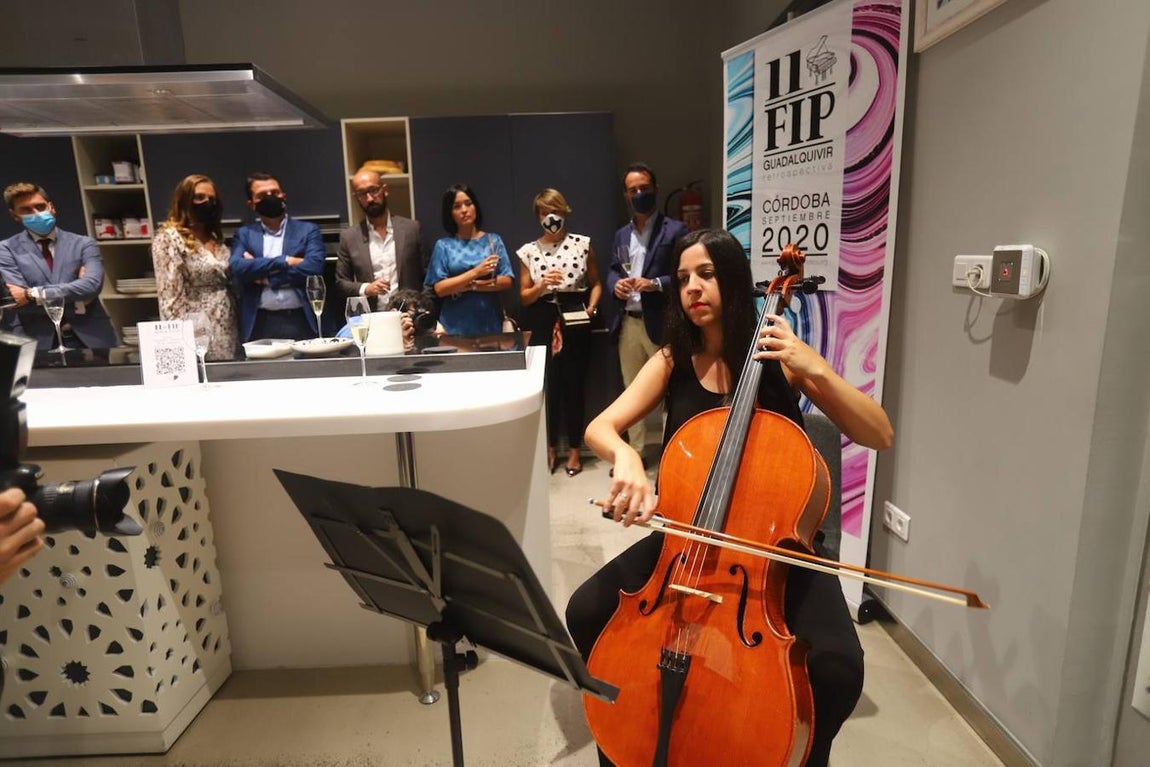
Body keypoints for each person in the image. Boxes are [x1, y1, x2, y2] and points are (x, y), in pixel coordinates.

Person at [566, 229, 894, 767]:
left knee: (836, 668)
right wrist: (626, 458)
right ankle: (631, 740)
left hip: (770, 554)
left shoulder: (780, 358)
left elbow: (879, 433)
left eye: (707, 275)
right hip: (688, 541)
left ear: (735, 281)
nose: (693, 288)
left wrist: (815, 368)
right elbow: (601, 427)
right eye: (684, 278)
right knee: (586, 611)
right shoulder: (673, 359)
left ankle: (785, 750)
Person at [517, 188, 602, 476]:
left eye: (553, 210)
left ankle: (576, 450)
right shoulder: (529, 250)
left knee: (574, 385)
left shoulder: (583, 244)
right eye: (543, 212)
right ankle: (550, 447)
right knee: (547, 386)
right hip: (542, 316)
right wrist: (542, 286)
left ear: (564, 211)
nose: (549, 216)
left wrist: (591, 307)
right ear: (538, 216)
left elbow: (596, 283)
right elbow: (525, 297)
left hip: (575, 314)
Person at [607, 162, 687, 463]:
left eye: (644, 188)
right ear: (626, 195)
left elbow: (683, 274)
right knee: (631, 392)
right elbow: (613, 271)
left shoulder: (676, 230)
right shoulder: (620, 235)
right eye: (633, 190)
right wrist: (616, 285)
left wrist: (654, 284)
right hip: (628, 322)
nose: (639, 193)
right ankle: (634, 452)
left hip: (661, 323)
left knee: (670, 392)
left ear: (655, 189)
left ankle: (672, 455)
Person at [0, 182, 118, 350]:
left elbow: (91, 285)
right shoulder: (6, 249)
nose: (36, 213)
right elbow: (16, 300)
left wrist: (32, 294)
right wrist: (78, 300)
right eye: (26, 210)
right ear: (15, 215)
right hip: (37, 340)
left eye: (40, 207)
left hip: (92, 337)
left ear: (51, 207)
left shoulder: (84, 244)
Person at [229, 172, 325, 342]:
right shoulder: (244, 234)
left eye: (274, 193)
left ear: (283, 196)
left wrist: (269, 279)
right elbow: (238, 267)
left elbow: (314, 267)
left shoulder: (308, 230)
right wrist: (285, 260)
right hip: (260, 323)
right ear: (251, 204)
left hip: (301, 319)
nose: (270, 197)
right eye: (262, 196)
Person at [151, 174, 238, 360]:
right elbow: (169, 299)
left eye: (212, 199)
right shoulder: (168, 239)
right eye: (199, 197)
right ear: (184, 200)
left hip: (228, 324)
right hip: (196, 329)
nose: (207, 202)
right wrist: (183, 346)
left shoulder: (215, 238)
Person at [424, 184, 513, 336]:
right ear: (450, 213)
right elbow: (440, 289)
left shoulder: (493, 241)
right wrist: (476, 272)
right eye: (457, 206)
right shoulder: (444, 245)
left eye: (468, 204)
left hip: (490, 322)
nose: (464, 210)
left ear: (475, 207)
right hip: (453, 325)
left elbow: (507, 281)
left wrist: (470, 286)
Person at [335, 169, 428, 310]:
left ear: (384, 189)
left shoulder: (412, 229)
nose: (370, 199)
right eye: (362, 194)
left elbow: (428, 276)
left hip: (410, 315)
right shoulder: (349, 237)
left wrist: (422, 308)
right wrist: (366, 288)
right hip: (372, 319)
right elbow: (341, 282)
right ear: (356, 198)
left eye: (373, 190)